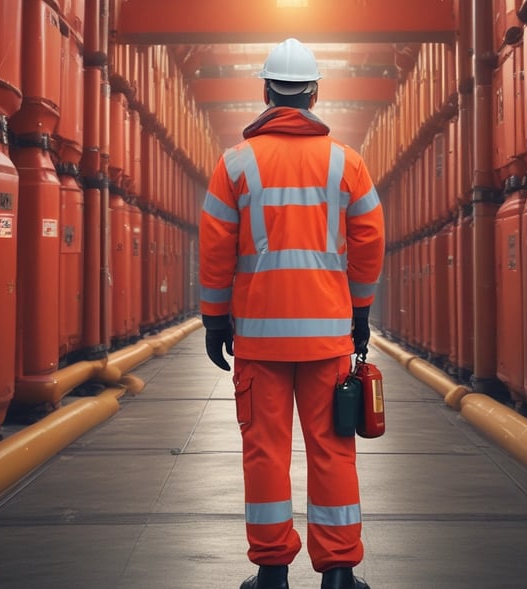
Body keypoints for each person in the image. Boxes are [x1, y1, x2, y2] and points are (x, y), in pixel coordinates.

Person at [198, 38, 385, 589]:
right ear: (314, 94)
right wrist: (360, 309)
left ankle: (272, 574)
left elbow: (215, 249)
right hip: (327, 339)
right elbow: (370, 240)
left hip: (259, 341)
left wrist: (214, 319)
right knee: (332, 451)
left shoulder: (235, 163)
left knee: (265, 453)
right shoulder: (345, 163)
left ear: (266, 92)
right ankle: (339, 574)